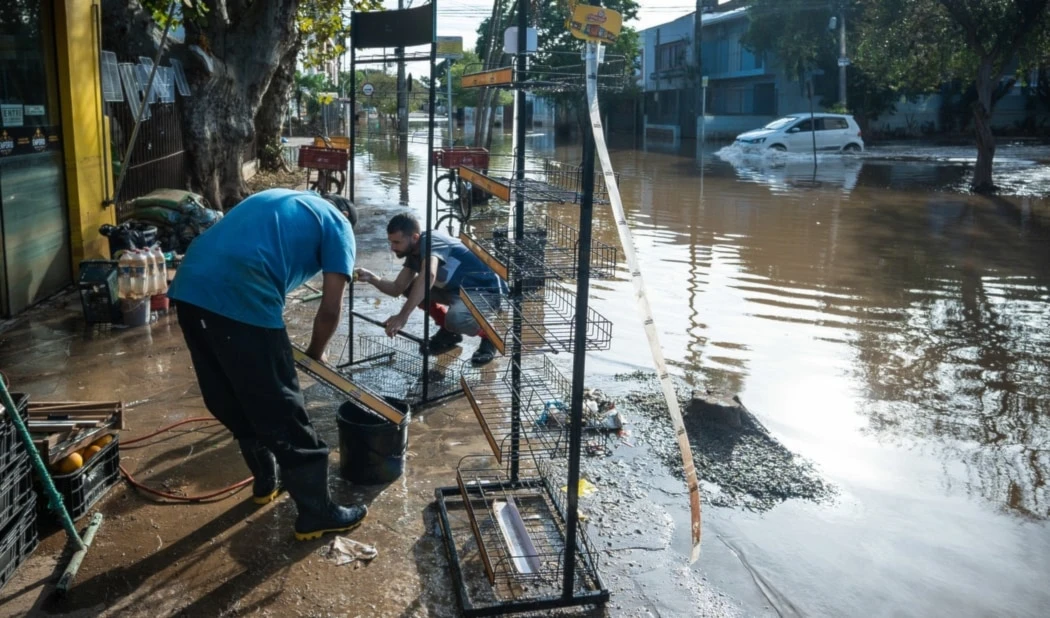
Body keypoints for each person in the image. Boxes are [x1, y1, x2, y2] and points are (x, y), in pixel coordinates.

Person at [167, 188, 365, 541]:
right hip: (242, 289)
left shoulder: (281, 199)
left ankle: (265, 483)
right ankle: (317, 513)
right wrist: (316, 353)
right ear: (346, 216)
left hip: (190, 286)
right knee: (282, 406)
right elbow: (331, 308)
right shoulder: (340, 223)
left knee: (229, 392)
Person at [355, 213, 504, 365]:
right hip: (456, 291)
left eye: (397, 242)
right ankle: (449, 332)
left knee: (456, 319)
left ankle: (490, 337)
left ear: (414, 237)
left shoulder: (431, 241)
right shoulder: (413, 252)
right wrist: (372, 278)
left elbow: (429, 274)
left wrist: (402, 316)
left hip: (484, 291)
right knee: (411, 288)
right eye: (391, 242)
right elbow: (397, 288)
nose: (392, 247)